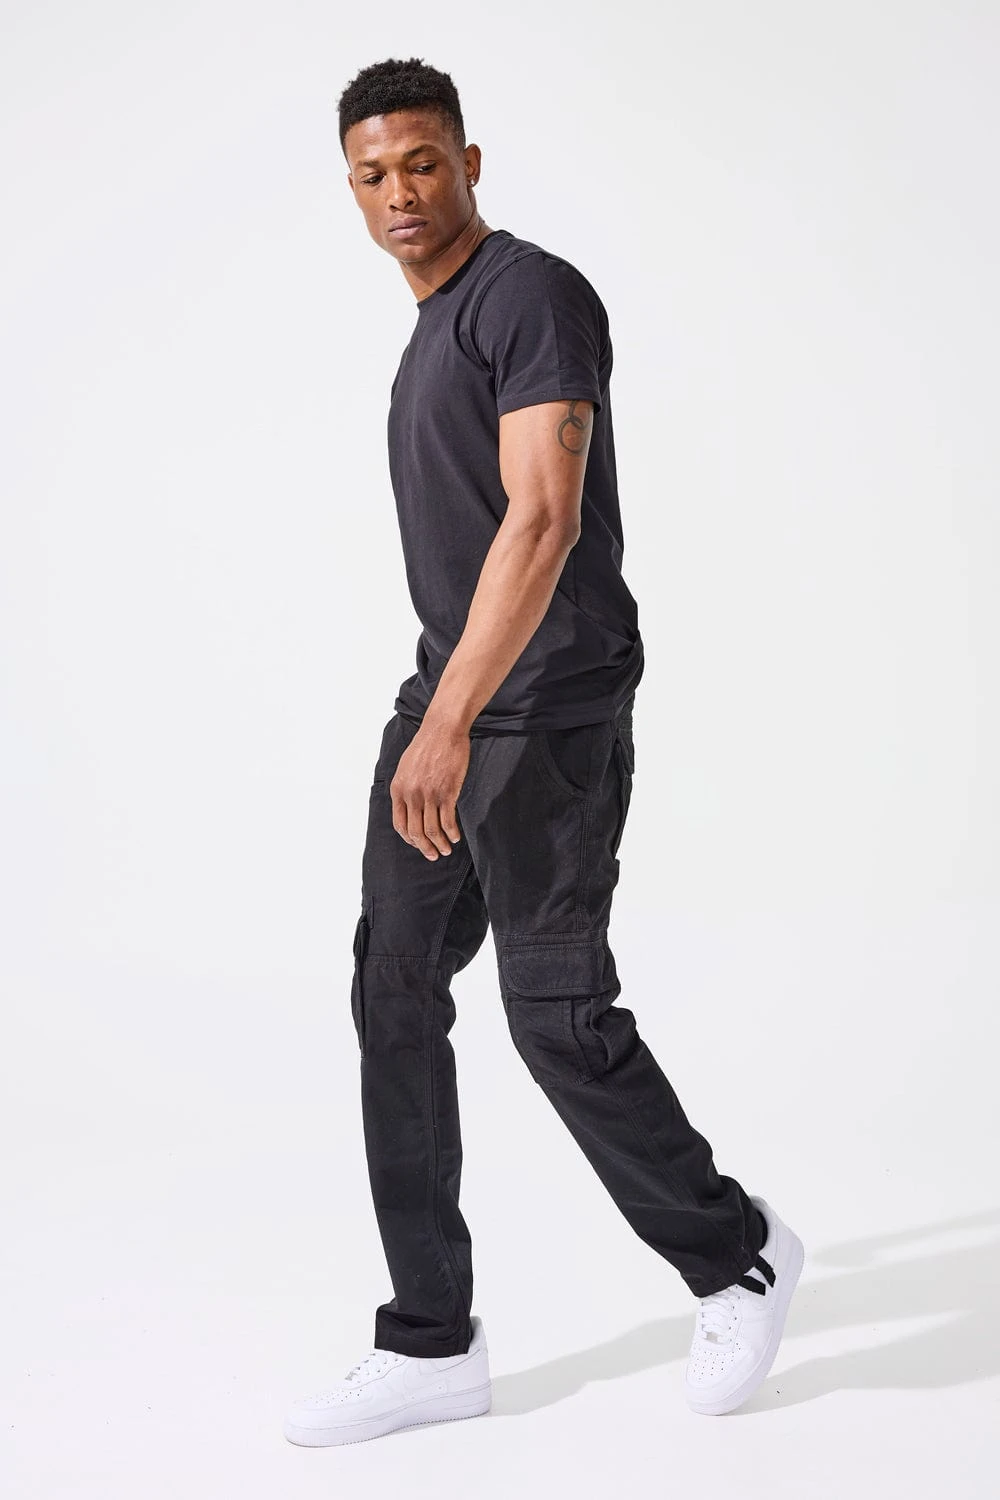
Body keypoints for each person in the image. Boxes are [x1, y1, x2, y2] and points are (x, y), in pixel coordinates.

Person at [284, 56, 804, 1448]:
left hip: (549, 715)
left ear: (469, 162)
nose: (401, 191)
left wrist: (451, 724)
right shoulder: (434, 328)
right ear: (353, 189)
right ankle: (430, 1342)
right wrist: (439, 710)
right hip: (451, 700)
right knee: (395, 991)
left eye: (423, 162)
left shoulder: (529, 297)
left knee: (555, 1015)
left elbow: (544, 518)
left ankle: (737, 1253)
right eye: (374, 173)